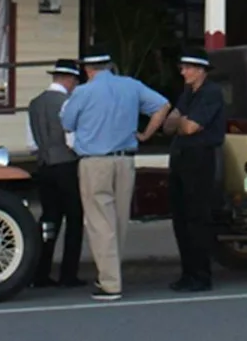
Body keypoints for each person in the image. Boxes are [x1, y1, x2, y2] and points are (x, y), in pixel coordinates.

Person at [59, 49, 170, 301]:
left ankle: (110, 283)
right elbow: (162, 106)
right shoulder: (131, 86)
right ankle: (112, 273)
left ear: (88, 69)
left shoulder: (83, 92)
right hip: (125, 159)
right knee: (119, 220)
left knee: (100, 222)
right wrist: (146, 134)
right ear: (110, 65)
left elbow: (67, 123)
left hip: (94, 161)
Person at [163, 50, 226, 292]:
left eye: (188, 67)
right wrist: (181, 121)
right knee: (181, 218)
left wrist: (181, 121)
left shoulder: (211, 93)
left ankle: (201, 275)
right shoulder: (188, 93)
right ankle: (187, 273)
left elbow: (189, 127)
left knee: (197, 218)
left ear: (200, 69)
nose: (183, 72)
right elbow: (170, 124)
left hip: (200, 158)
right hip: (181, 157)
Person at [26, 59, 86, 289]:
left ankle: (40, 272)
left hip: (43, 165)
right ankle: (68, 274)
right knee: (74, 219)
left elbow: (31, 143)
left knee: (49, 220)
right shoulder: (66, 103)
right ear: (70, 80)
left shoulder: (34, 103)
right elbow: (71, 140)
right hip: (67, 166)